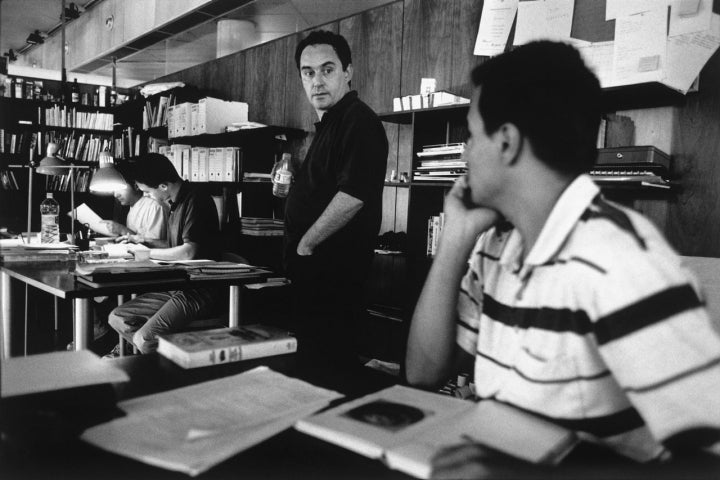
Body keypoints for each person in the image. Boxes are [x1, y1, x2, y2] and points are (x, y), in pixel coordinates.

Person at [405, 40, 720, 474]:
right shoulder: (498, 244)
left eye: (471, 135)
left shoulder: (621, 261)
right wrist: (455, 240)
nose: (464, 153)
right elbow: (422, 372)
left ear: (507, 142)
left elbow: (708, 460)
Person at [281, 30, 388, 365]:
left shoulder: (358, 121)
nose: (317, 81)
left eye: (327, 70)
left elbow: (354, 195)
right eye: (308, 72)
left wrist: (306, 244)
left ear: (348, 72)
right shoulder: (330, 123)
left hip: (333, 281)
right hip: (314, 279)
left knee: (328, 373)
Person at [105, 153, 221, 356]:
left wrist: (147, 253)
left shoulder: (197, 200)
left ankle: (163, 371)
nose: (148, 197)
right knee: (117, 317)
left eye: (148, 193)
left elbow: (188, 252)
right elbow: (172, 246)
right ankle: (154, 353)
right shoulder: (173, 204)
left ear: (163, 186)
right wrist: (142, 240)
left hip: (199, 289)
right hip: (177, 285)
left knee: (145, 338)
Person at [99, 165, 169, 246]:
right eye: (114, 190)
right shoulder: (132, 206)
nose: (115, 194)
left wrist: (122, 230)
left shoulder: (154, 206)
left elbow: (153, 245)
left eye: (121, 188)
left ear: (136, 186)